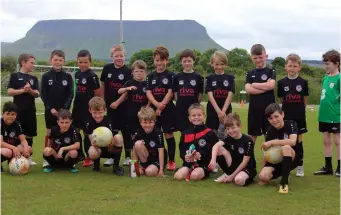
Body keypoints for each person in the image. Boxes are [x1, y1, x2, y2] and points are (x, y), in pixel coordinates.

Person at [258, 103, 301, 194]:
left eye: (276, 116)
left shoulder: (291, 124)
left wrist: (272, 142)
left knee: (286, 148)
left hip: (292, 158)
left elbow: (292, 141)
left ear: (282, 114)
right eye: (270, 118)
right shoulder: (270, 131)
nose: (274, 120)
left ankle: (284, 183)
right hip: (276, 162)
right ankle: (282, 174)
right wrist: (262, 171)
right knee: (263, 176)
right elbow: (266, 153)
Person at [41, 50, 74, 167]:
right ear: (51, 60)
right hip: (50, 111)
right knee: (50, 132)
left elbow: (71, 94)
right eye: (55, 60)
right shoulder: (45, 76)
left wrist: (63, 109)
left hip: (63, 111)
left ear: (64, 61)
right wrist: (50, 108)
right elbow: (43, 94)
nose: (58, 62)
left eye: (60, 60)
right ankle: (47, 156)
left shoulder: (67, 76)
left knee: (66, 131)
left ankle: (67, 156)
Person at [100, 45, 132, 167]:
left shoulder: (128, 71)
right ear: (111, 57)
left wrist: (117, 102)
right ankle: (112, 156)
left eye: (121, 55)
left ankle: (128, 157)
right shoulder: (107, 68)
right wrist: (103, 101)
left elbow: (128, 91)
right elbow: (103, 85)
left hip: (123, 106)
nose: (119, 58)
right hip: (109, 107)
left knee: (125, 131)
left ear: (125, 56)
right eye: (116, 56)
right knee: (111, 132)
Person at [146, 45, 177, 171]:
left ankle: (171, 161)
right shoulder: (150, 76)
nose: (159, 63)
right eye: (157, 60)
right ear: (154, 61)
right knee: (156, 135)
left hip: (168, 109)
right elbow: (148, 92)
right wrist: (156, 105)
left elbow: (170, 91)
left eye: (162, 60)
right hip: (154, 109)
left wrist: (162, 105)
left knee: (168, 134)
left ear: (167, 60)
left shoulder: (171, 75)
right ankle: (159, 160)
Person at [277, 53, 308, 177]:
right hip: (287, 118)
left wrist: (300, 110)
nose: (292, 68)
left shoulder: (303, 82)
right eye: (290, 66)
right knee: (286, 142)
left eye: (295, 66)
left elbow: (304, 100)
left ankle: (300, 165)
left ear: (299, 67)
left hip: (299, 117)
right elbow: (281, 99)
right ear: (285, 67)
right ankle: (287, 166)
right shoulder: (281, 83)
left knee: (298, 142)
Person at [7, 53, 39, 166]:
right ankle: (16, 157)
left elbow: (37, 94)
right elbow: (9, 91)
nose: (33, 65)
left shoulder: (33, 78)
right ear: (23, 62)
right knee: (17, 135)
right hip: (17, 112)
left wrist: (29, 90)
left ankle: (28, 157)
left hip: (30, 110)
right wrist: (22, 91)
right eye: (31, 63)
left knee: (29, 134)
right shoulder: (15, 76)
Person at [209, 113, 257, 186]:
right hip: (234, 166)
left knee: (239, 180)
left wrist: (232, 177)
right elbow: (215, 146)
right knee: (219, 148)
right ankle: (227, 173)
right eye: (228, 129)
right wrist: (213, 160)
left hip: (246, 167)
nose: (231, 131)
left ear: (240, 126)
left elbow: (244, 163)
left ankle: (241, 176)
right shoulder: (229, 138)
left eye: (233, 128)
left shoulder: (248, 141)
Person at [173, 103, 218, 181]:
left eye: (199, 115)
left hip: (203, 164)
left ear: (204, 116)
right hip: (188, 164)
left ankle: (198, 172)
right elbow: (182, 150)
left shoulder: (209, 133)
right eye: (193, 115)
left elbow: (215, 150)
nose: (196, 117)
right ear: (189, 118)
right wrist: (185, 156)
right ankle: (189, 170)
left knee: (195, 176)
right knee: (178, 176)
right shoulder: (185, 133)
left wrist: (201, 155)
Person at [72, 50, 101, 167]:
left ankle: (89, 157)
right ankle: (80, 155)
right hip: (77, 108)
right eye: (80, 62)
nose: (82, 64)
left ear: (90, 62)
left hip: (87, 110)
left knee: (87, 133)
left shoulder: (92, 76)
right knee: (75, 131)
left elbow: (97, 94)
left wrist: (94, 110)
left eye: (85, 62)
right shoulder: (77, 74)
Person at [314, 50, 340, 177]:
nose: (326, 66)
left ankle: (339, 168)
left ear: (337, 64)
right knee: (326, 141)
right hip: (323, 115)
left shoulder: (339, 78)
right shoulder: (325, 78)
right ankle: (328, 167)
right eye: (325, 64)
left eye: (328, 64)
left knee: (337, 141)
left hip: (335, 115)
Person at [245, 44, 276, 148]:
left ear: (266, 56)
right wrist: (265, 87)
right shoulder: (250, 73)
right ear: (251, 58)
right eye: (255, 58)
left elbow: (271, 85)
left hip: (269, 110)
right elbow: (248, 90)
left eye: (260, 57)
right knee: (252, 137)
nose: (258, 60)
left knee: (270, 137)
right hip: (254, 110)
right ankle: (249, 162)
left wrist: (255, 84)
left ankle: (270, 163)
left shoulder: (271, 70)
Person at [85, 96, 124, 175]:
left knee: (118, 137)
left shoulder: (108, 121)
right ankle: (96, 165)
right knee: (92, 152)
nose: (98, 116)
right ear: (90, 110)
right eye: (94, 113)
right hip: (97, 148)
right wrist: (93, 143)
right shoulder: (87, 123)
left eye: (100, 112)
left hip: (108, 148)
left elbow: (112, 137)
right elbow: (91, 139)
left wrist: (111, 143)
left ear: (105, 110)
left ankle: (116, 167)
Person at [118, 60, 148, 147]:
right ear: (132, 73)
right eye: (136, 71)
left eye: (141, 71)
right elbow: (119, 91)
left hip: (143, 115)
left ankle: (144, 157)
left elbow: (149, 98)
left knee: (143, 135)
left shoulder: (147, 84)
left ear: (146, 72)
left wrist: (146, 109)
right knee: (132, 136)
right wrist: (127, 88)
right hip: (131, 115)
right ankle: (133, 157)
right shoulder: (130, 83)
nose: (139, 73)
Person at [173, 49, 204, 132]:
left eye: (189, 61)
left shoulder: (198, 77)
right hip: (181, 110)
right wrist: (180, 103)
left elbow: (200, 94)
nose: (187, 63)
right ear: (181, 62)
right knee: (183, 133)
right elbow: (175, 93)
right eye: (184, 61)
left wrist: (196, 105)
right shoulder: (177, 77)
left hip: (193, 110)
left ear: (193, 61)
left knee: (195, 131)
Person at [132, 107, 167, 177]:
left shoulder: (158, 133)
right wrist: (133, 168)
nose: (148, 125)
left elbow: (161, 152)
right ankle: (143, 166)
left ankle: (154, 169)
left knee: (149, 172)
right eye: (145, 122)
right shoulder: (138, 132)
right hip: (146, 158)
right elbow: (134, 151)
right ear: (140, 122)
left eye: (150, 122)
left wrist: (161, 170)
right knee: (137, 144)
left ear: (154, 121)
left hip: (156, 159)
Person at [205, 50, 234, 135]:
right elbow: (210, 96)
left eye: (222, 64)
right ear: (212, 64)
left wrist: (223, 112)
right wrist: (218, 112)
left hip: (226, 110)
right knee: (212, 135)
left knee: (226, 134)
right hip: (213, 110)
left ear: (226, 64)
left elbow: (230, 95)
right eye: (217, 64)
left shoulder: (230, 78)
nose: (219, 67)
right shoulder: (209, 78)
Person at [0, 102, 32, 172]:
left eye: (13, 114)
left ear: (16, 115)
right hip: (3, 148)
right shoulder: (0, 123)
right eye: (7, 114)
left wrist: (26, 149)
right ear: (3, 114)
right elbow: (0, 143)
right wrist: (14, 148)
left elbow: (23, 140)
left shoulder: (16, 124)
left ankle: (15, 162)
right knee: (8, 152)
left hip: (11, 148)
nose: (10, 116)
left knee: (29, 148)